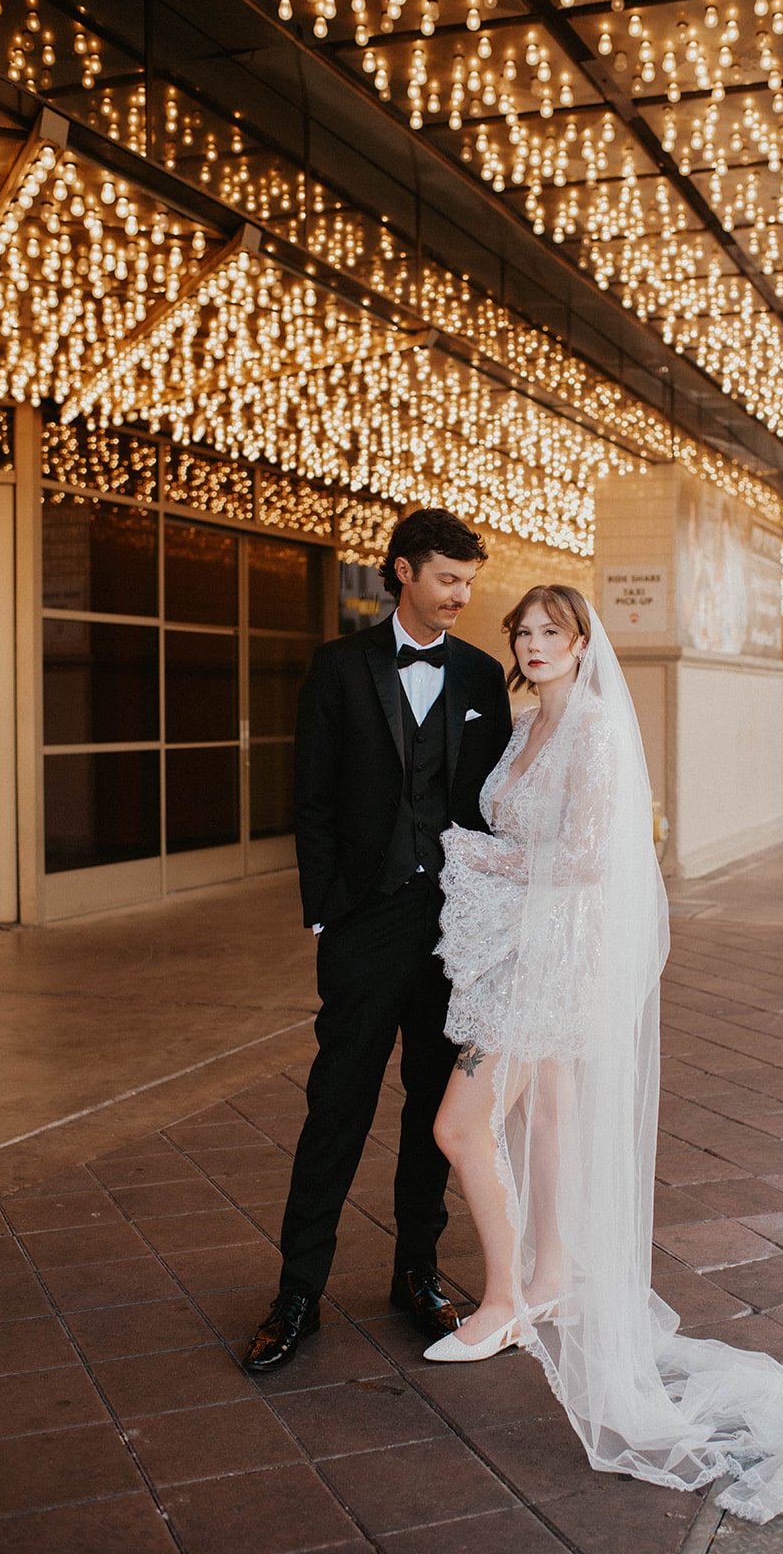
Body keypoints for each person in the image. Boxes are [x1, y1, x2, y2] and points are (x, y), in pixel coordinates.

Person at [422, 585, 783, 1526]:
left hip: (547, 959)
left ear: (584, 643)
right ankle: (548, 1277)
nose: (535, 646)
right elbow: (519, 827)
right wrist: (486, 857)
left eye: (552, 633)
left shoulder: (598, 731)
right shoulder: (525, 724)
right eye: (524, 634)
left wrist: (464, 853)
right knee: (547, 1112)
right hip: (513, 948)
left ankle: (500, 1304)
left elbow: (583, 858)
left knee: (459, 1125)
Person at [243, 509, 512, 1373]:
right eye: (447, 580)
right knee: (338, 1107)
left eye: (469, 583)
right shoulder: (337, 667)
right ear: (402, 572)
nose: (461, 597)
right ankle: (298, 1291)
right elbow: (311, 795)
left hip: (453, 929)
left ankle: (416, 1273)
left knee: (436, 1113)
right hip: (364, 923)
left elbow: (491, 806)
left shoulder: (479, 675)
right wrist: (326, 910)